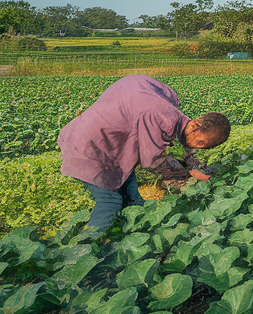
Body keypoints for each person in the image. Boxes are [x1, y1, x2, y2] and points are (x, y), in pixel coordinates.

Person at [58, 75, 230, 233]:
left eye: (203, 148)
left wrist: (194, 167)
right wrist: (186, 176)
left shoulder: (173, 114)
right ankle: (87, 249)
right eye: (200, 143)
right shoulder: (155, 114)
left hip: (113, 148)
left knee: (134, 201)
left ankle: (125, 238)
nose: (197, 147)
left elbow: (182, 142)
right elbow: (153, 161)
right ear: (196, 124)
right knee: (110, 202)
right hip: (91, 148)